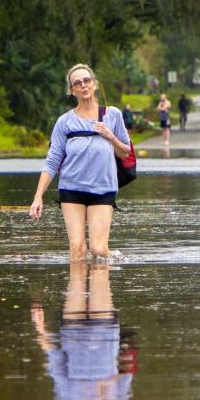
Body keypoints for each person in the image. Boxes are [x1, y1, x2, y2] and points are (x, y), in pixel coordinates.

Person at [31, 262, 137, 400]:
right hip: (105, 328)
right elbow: (129, 365)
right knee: (100, 275)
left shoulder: (66, 399)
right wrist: (104, 387)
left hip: (73, 327)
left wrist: (40, 327)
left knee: (78, 275)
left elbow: (53, 358)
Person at [29, 64, 132, 261]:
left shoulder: (113, 114)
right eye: (77, 83)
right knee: (77, 250)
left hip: (103, 189)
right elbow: (52, 161)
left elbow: (124, 152)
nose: (83, 85)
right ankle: (76, 292)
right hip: (71, 189)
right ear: (72, 90)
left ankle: (112, 259)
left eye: (87, 81)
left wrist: (110, 136)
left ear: (95, 84)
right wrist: (38, 197)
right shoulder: (64, 122)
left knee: (98, 250)